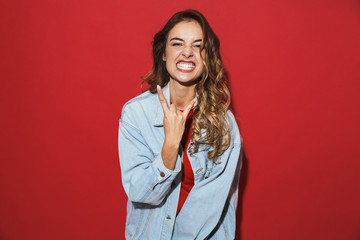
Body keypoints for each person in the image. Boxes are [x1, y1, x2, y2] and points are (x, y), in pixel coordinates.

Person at [118, 9, 242, 240]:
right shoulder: (136, 113)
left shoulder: (225, 124)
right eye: (177, 43)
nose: (187, 52)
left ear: (207, 56)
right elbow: (139, 192)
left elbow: (210, 205)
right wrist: (170, 146)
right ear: (163, 53)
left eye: (198, 46)